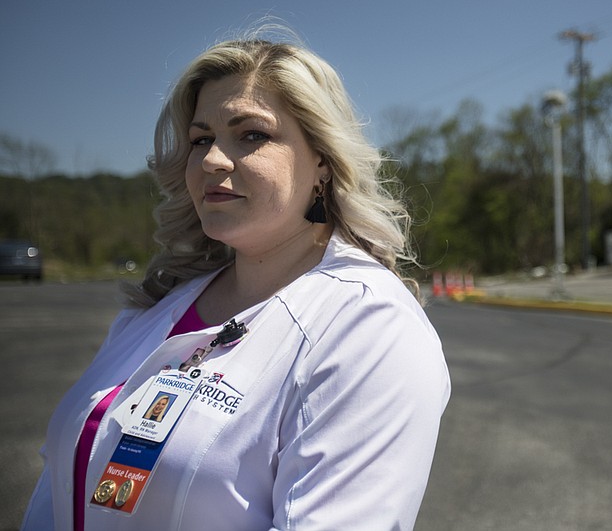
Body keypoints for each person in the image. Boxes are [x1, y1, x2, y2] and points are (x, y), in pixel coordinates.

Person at [22, 33, 450, 530]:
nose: (212, 160)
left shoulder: (368, 326)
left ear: (322, 162)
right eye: (201, 139)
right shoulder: (154, 309)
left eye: (251, 135)